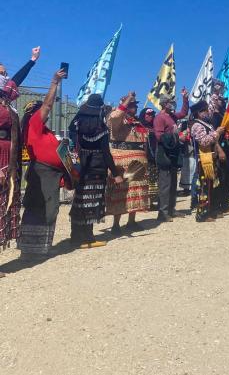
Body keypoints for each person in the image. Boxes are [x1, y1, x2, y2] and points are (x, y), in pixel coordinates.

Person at [17, 69, 67, 257]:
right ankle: (31, 250)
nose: (45, 113)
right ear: (34, 113)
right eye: (40, 111)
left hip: (50, 174)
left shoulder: (41, 129)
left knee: (47, 208)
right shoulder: (33, 125)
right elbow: (47, 104)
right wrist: (55, 82)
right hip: (43, 173)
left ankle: (39, 248)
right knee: (41, 207)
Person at [69, 94, 122, 248]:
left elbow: (72, 126)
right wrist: (116, 174)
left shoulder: (78, 126)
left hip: (81, 166)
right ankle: (88, 238)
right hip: (97, 168)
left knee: (80, 200)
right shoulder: (102, 129)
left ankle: (75, 236)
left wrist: (83, 110)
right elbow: (106, 153)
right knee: (92, 201)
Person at [105, 92, 150, 235]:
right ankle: (116, 225)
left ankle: (131, 221)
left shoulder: (137, 122)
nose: (134, 108)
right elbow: (115, 116)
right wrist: (126, 101)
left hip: (138, 163)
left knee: (136, 192)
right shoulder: (116, 120)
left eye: (135, 105)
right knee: (120, 192)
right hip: (122, 163)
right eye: (131, 105)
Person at [153, 89, 189, 222]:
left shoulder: (172, 116)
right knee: (165, 184)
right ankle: (162, 212)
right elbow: (159, 136)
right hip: (164, 153)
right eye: (170, 102)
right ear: (164, 103)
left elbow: (184, 113)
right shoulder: (159, 118)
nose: (173, 103)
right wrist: (176, 135)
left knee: (173, 182)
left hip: (173, 153)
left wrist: (185, 99)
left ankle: (171, 209)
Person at [190, 94, 226, 221]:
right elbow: (204, 141)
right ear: (198, 113)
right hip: (204, 160)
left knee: (212, 186)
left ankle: (211, 210)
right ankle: (202, 214)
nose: (207, 112)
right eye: (204, 110)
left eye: (206, 109)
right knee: (204, 187)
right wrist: (217, 133)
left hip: (211, 158)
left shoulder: (206, 124)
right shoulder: (196, 125)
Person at [0, 75, 22, 258]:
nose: (6, 76)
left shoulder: (9, 107)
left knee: (4, 205)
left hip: (9, 158)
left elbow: (17, 79)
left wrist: (32, 61)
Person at [139, 107, 158, 208]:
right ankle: (145, 202)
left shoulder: (155, 127)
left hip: (154, 158)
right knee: (145, 179)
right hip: (143, 158)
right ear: (143, 115)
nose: (151, 116)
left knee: (153, 180)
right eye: (148, 114)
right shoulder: (139, 126)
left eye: (152, 115)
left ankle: (151, 201)